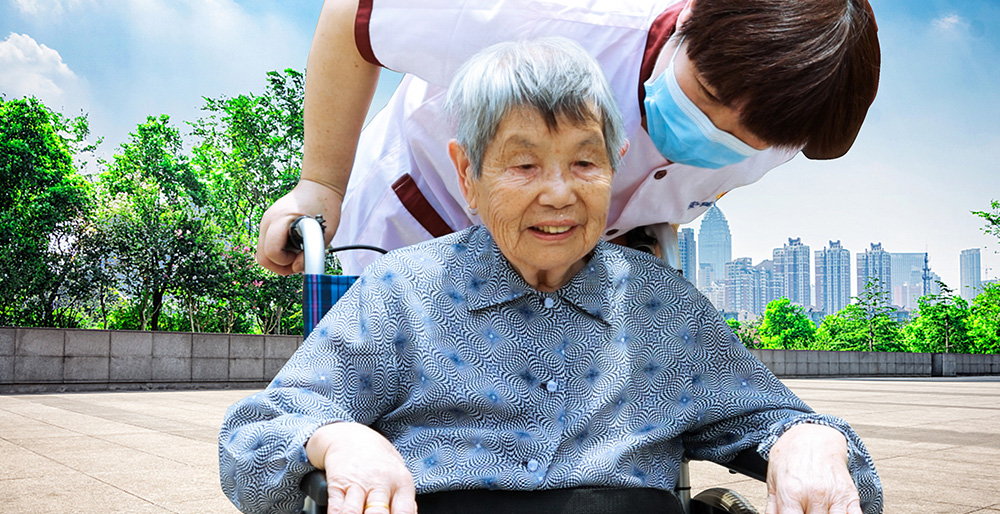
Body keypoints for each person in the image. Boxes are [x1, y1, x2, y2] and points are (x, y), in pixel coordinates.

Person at [221, 38, 882, 514]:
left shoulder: (664, 308)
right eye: (524, 166)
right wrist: (338, 439)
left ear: (615, 165)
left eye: (585, 164)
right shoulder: (400, 294)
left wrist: (810, 440)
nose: (560, 193)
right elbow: (255, 437)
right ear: (467, 174)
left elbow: (784, 428)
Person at [255, 0, 880, 276]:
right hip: (415, 222)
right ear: (691, 17)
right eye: (709, 96)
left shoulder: (788, 123)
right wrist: (321, 183)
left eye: (746, 137)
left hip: (566, 272)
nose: (715, 133)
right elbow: (353, 16)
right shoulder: (544, 14)